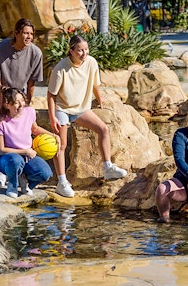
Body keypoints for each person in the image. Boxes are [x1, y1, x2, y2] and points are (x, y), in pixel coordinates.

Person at [47, 35, 128, 198]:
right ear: (71, 51)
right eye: (80, 50)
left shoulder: (91, 62)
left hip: (81, 109)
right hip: (63, 109)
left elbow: (95, 83)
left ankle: (108, 167)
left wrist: (100, 99)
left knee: (103, 129)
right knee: (61, 145)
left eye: (86, 49)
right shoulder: (61, 68)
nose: (84, 53)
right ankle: (62, 182)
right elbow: (50, 95)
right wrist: (52, 117)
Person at [0, 18, 43, 187]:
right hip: (0, 94)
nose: (29, 37)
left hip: (19, 96)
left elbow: (32, 82)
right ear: (16, 33)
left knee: (18, 131)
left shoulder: (36, 53)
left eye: (31, 34)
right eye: (25, 33)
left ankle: (19, 170)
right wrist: (0, 107)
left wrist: (27, 103)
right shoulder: (1, 48)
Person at [0, 87, 54, 198]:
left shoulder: (29, 111)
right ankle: (12, 184)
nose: (21, 105)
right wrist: (25, 151)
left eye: (22, 101)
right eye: (16, 103)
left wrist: (53, 135)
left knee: (45, 173)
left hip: (27, 157)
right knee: (15, 161)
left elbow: (35, 129)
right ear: (7, 105)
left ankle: (26, 183)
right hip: (8, 158)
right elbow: (1, 149)